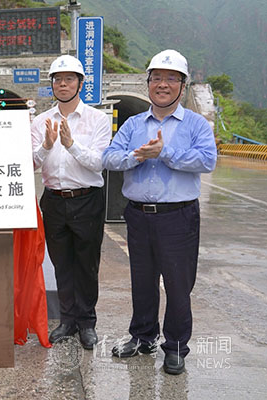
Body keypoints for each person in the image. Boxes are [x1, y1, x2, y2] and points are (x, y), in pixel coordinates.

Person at [102, 49, 217, 375]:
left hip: (178, 217)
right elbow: (109, 157)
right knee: (142, 280)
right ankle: (143, 336)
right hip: (138, 214)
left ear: (183, 85)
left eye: (171, 79)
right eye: (156, 78)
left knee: (178, 284)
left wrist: (165, 152)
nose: (162, 84)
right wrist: (136, 156)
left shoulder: (195, 124)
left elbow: (207, 160)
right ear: (148, 83)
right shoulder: (133, 124)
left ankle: (176, 346)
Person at [30, 55, 110, 350]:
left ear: (80, 83)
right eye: (57, 80)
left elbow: (99, 163)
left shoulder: (97, 119)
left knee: (86, 264)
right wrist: (46, 146)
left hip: (86, 199)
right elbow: (30, 163)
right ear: (52, 84)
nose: (62, 84)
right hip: (54, 200)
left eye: (69, 79)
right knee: (61, 263)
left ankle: (87, 322)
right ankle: (67, 320)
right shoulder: (40, 121)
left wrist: (71, 145)